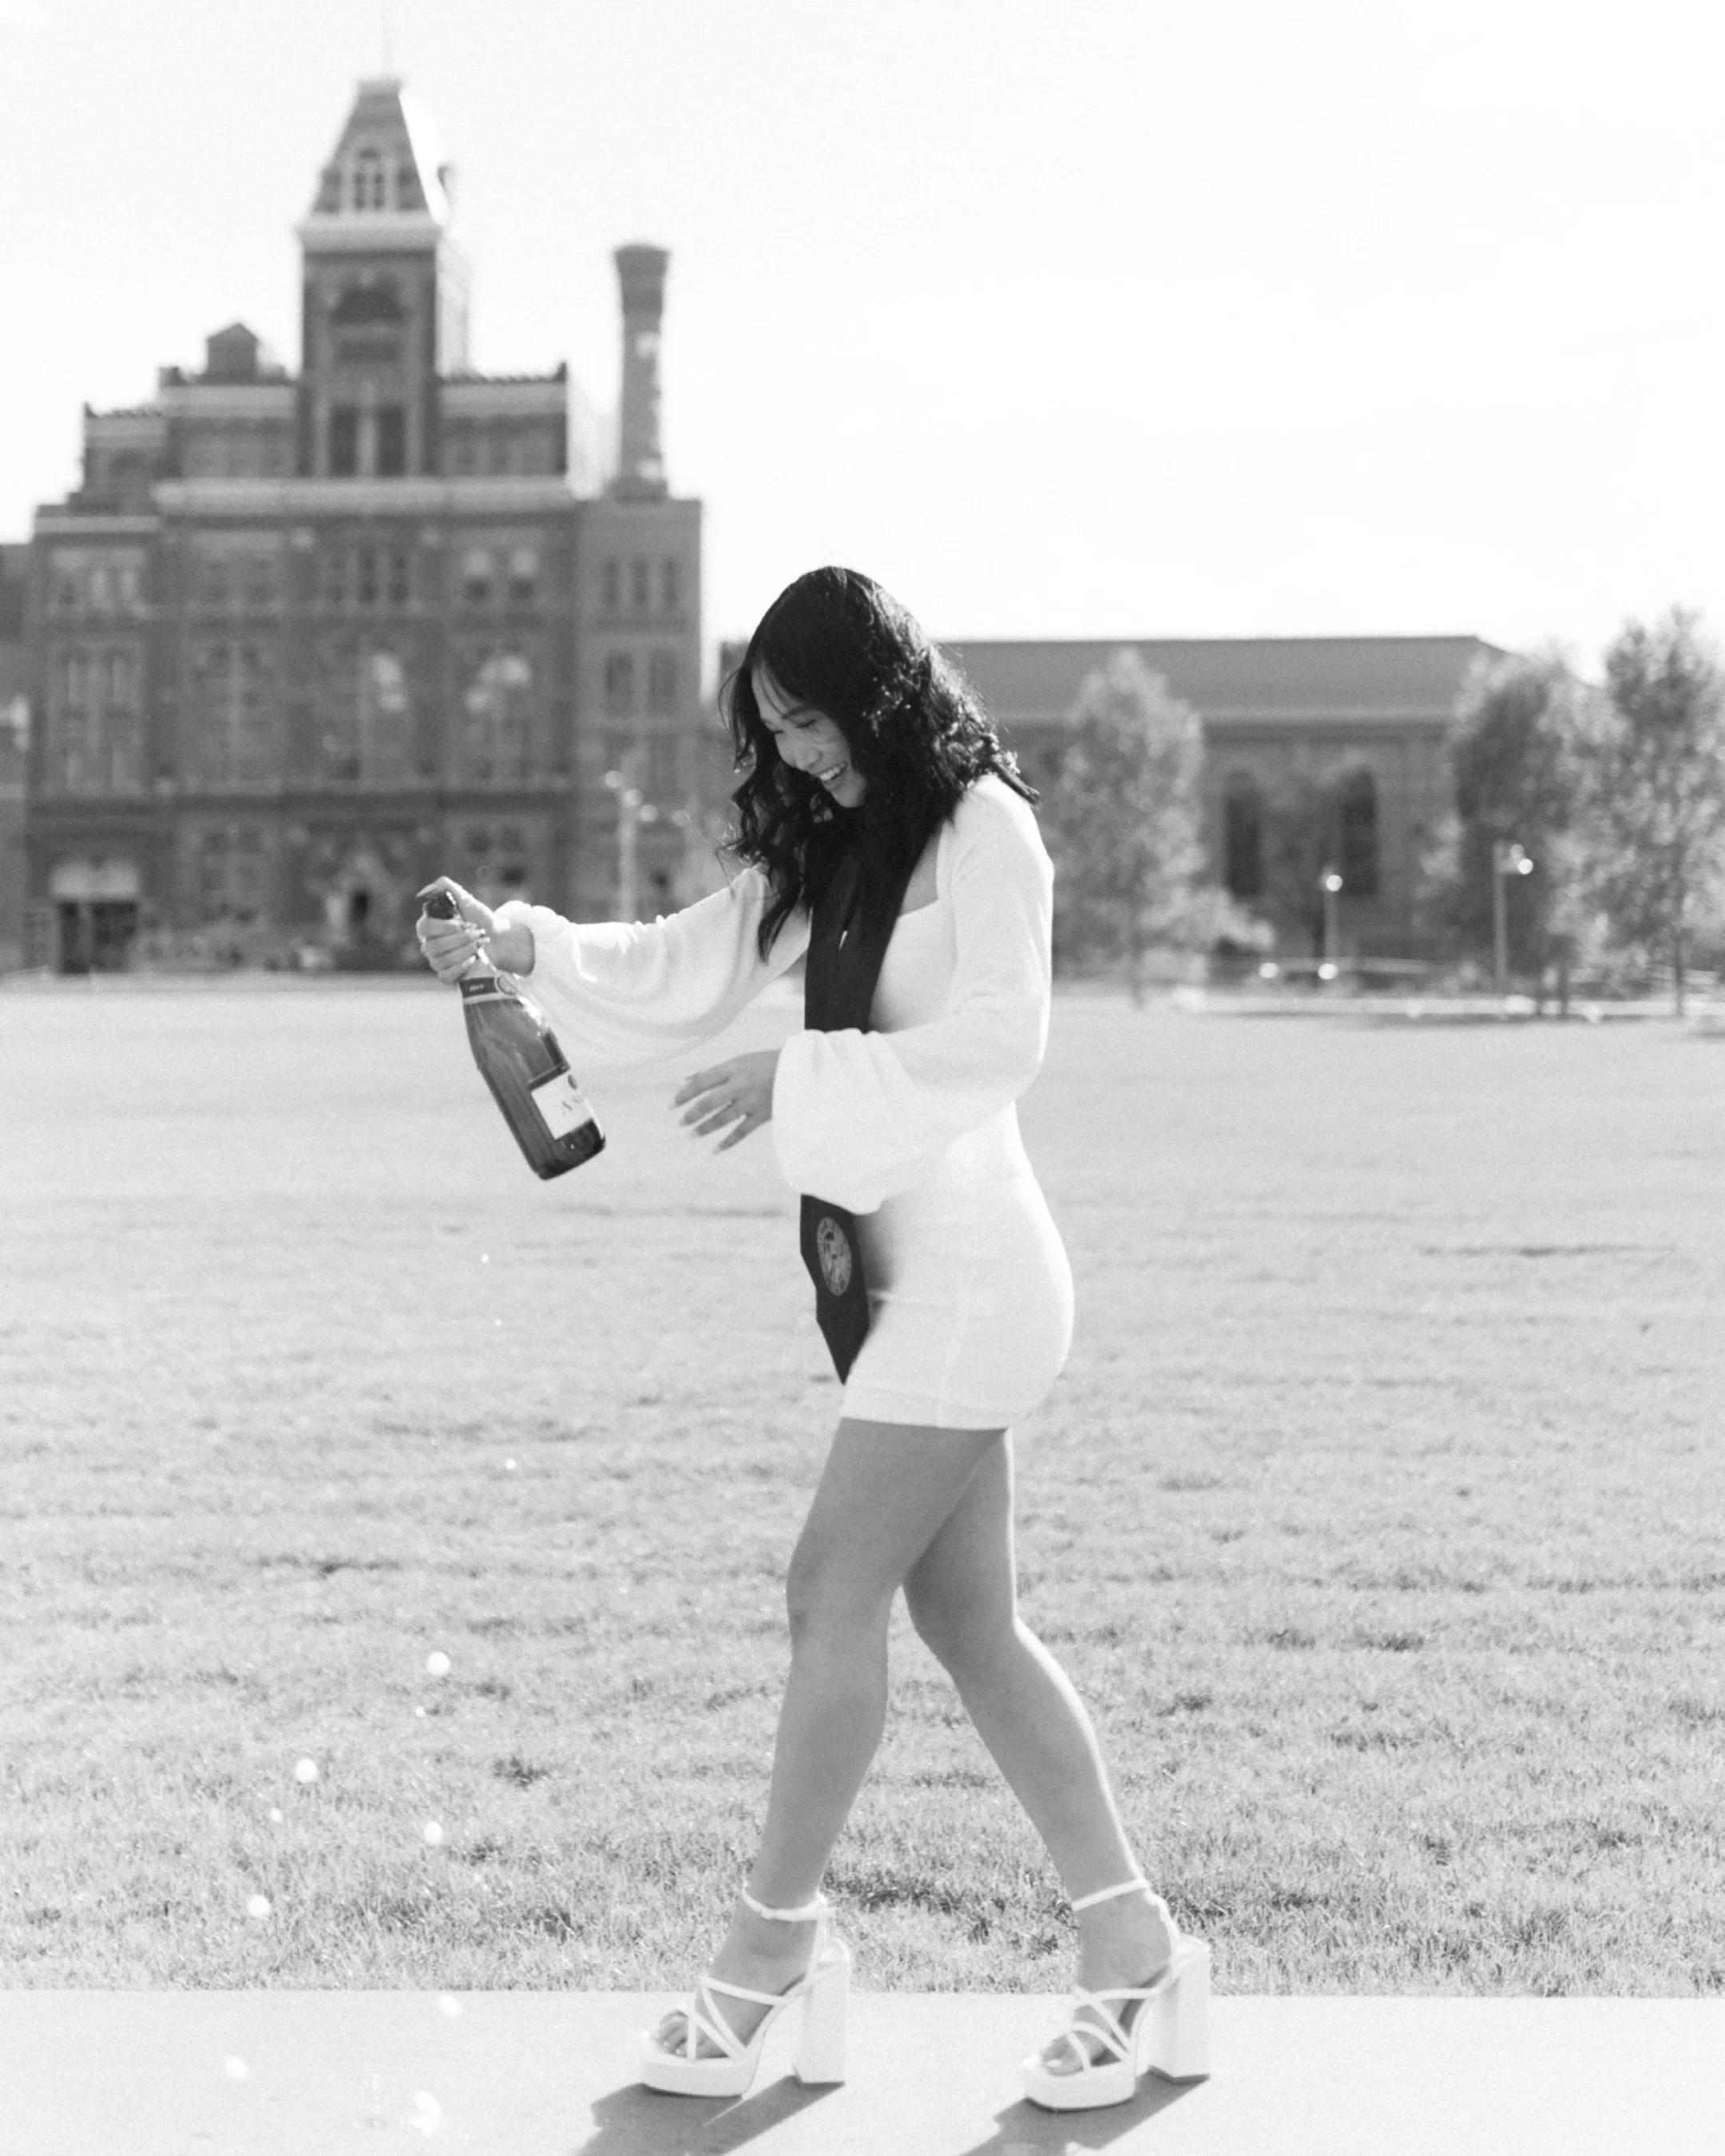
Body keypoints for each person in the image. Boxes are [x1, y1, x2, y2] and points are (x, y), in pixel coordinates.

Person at [416, 567, 1208, 2110]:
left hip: (976, 1280)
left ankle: (771, 1954)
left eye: (811, 721)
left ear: (880, 693)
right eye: (769, 732)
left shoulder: (986, 831)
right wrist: (517, 946)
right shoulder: (826, 846)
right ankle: (1138, 1954)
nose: (793, 755)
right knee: (973, 1629)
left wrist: (800, 1074)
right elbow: (682, 960)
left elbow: (1003, 1038)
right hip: (891, 1289)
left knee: (824, 1592)